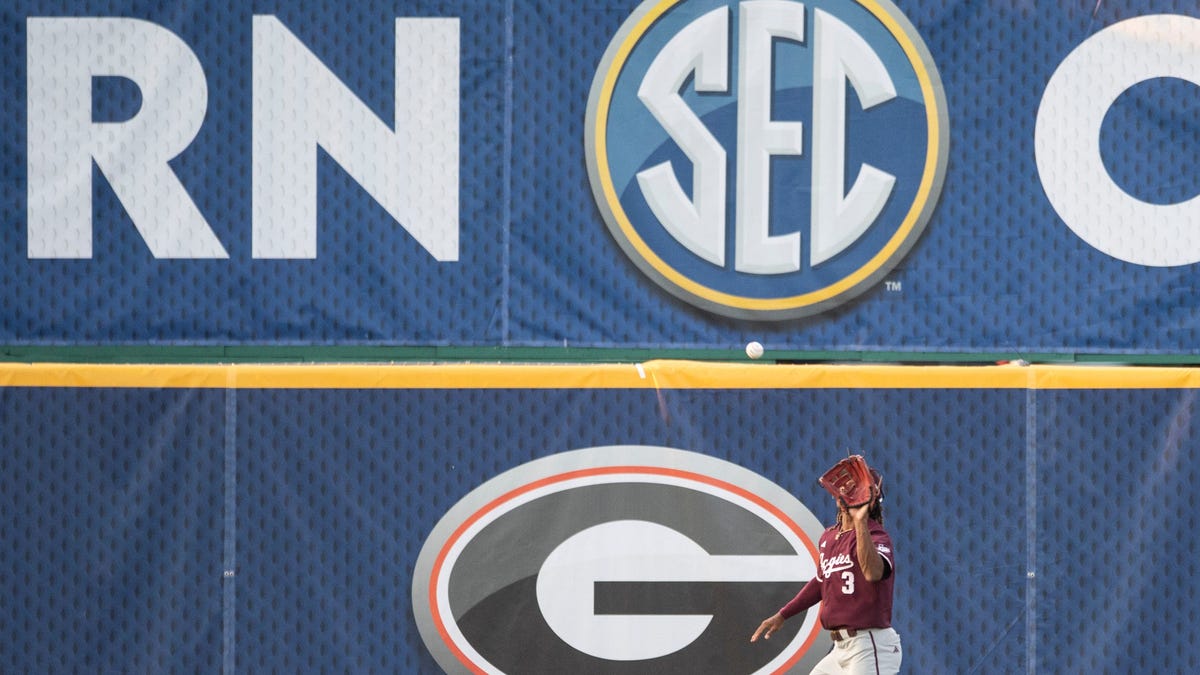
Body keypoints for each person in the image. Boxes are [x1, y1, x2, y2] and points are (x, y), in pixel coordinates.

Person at [750, 465, 901, 674]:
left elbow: (872, 573)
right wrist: (784, 614)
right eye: (846, 489)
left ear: (870, 498)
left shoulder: (876, 537)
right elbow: (821, 581)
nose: (846, 493)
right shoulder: (830, 537)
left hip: (870, 644)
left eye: (855, 489)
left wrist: (860, 522)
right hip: (840, 649)